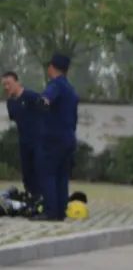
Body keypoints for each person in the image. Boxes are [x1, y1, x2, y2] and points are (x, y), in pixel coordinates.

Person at [36, 54, 79, 222]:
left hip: (53, 139)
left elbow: (47, 98)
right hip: (68, 137)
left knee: (48, 174)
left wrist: (42, 102)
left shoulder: (56, 85)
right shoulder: (70, 89)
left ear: (52, 67)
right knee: (62, 176)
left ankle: (50, 212)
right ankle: (61, 211)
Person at [2, 71, 42, 200]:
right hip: (24, 142)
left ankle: (44, 199)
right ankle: (31, 197)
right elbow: (15, 119)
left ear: (17, 82)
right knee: (27, 173)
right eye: (4, 85)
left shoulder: (31, 96)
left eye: (9, 83)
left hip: (39, 141)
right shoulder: (10, 103)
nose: (6, 87)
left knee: (39, 171)